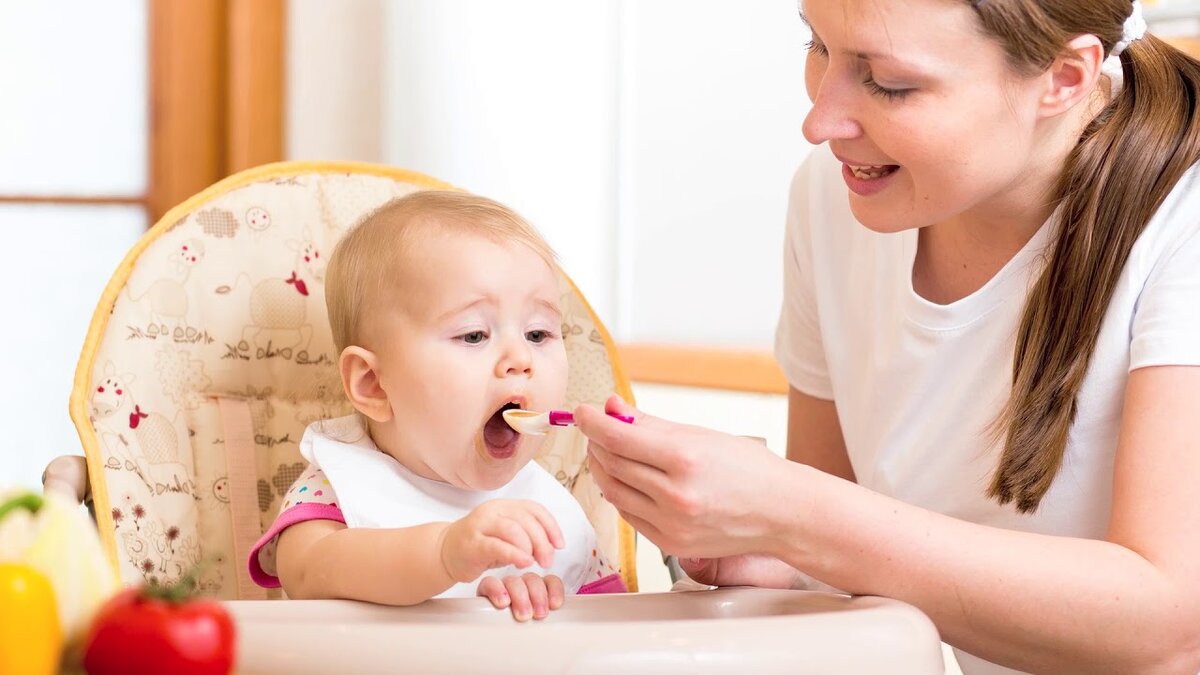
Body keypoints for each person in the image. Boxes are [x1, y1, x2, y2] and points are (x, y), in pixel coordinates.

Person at [576, 0, 1200, 672]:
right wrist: (767, 550)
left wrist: (790, 512)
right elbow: (840, 557)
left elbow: (1168, 621)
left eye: (890, 84)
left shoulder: (1180, 226)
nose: (819, 121)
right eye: (817, 47)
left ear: (1065, 78)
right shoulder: (840, 198)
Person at [247, 190, 625, 621]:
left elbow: (609, 632)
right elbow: (309, 571)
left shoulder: (550, 506)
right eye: (473, 335)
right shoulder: (341, 486)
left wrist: (551, 608)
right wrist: (443, 554)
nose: (521, 360)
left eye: (538, 335)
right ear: (374, 384)